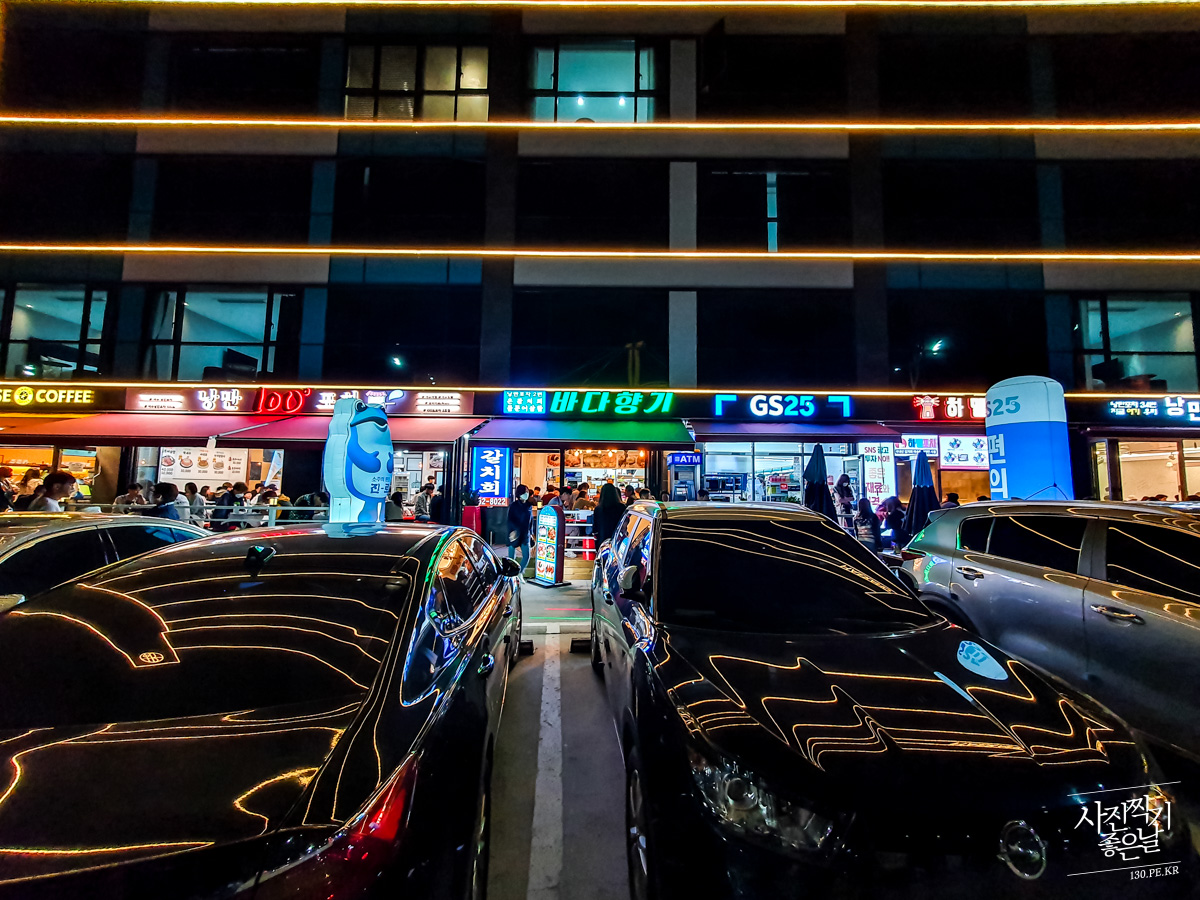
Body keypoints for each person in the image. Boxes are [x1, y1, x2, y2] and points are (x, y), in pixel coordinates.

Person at [507, 484, 533, 574]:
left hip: (525, 534)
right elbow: (510, 520)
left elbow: (530, 520)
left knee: (526, 556)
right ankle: (511, 573)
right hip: (514, 533)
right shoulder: (513, 506)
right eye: (525, 492)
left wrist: (531, 533)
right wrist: (513, 531)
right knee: (511, 558)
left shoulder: (529, 506)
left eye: (527, 492)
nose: (526, 494)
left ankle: (519, 573)